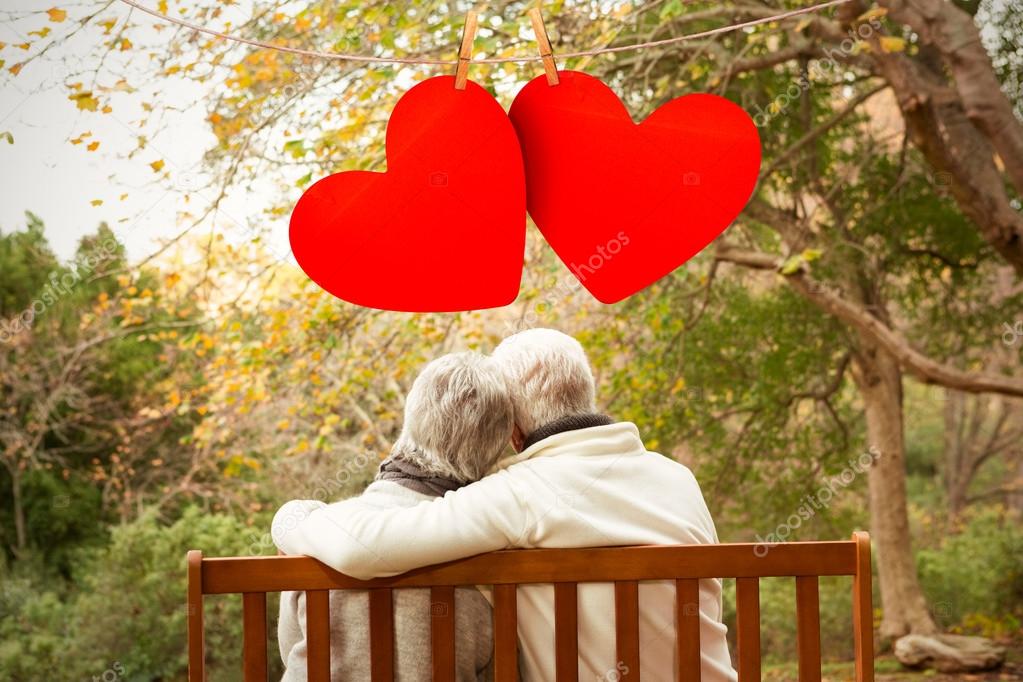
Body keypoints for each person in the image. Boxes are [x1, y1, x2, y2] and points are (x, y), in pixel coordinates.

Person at [274, 329, 736, 682]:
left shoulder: (518, 493)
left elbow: (361, 550)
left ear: (512, 432)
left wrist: (294, 517)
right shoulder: (679, 479)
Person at [274, 351, 514, 681]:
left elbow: (290, 649)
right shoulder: (497, 555)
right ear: (499, 443)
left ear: (411, 417)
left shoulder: (319, 537)